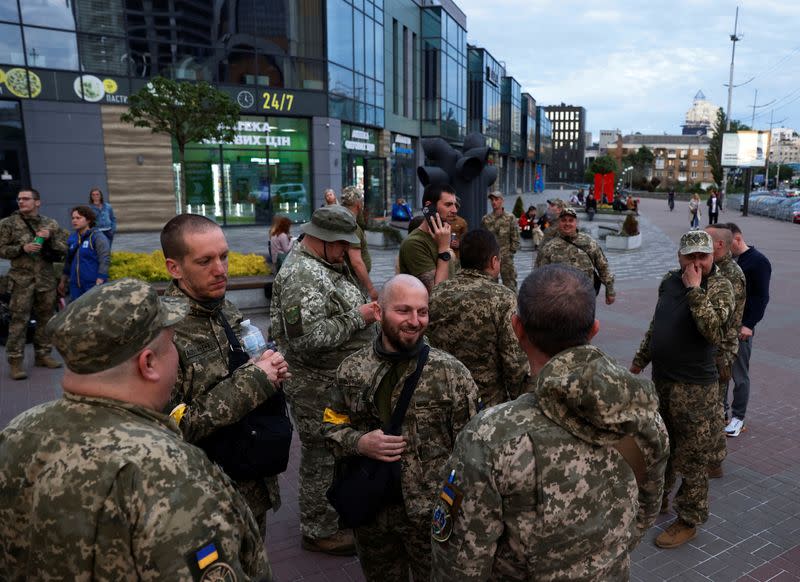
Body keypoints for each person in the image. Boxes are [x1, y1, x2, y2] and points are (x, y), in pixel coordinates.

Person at [0, 278, 271, 580]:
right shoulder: (170, 470)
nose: (177, 357)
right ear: (148, 363)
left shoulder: (16, 433)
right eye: (171, 347)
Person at [430, 265, 669, 580]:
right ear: (594, 328)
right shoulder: (642, 412)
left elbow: (461, 566)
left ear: (517, 328)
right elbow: (645, 511)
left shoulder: (489, 436)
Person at [323, 274, 479, 582]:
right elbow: (330, 424)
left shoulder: (451, 374)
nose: (415, 320)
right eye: (403, 310)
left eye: (422, 311)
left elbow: (472, 452)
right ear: (379, 313)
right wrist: (358, 442)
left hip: (430, 515)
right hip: (372, 513)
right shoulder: (351, 370)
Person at [161, 214, 289, 536]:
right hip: (205, 502)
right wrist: (256, 380)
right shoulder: (162, 333)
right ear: (174, 268)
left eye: (224, 256)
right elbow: (172, 428)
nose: (220, 270)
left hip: (250, 484)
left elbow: (239, 372)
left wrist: (268, 368)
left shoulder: (223, 308)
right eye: (205, 261)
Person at [271, 204, 378, 555]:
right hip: (314, 384)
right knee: (321, 454)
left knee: (335, 451)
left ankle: (333, 515)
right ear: (326, 239)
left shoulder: (324, 264)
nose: (347, 251)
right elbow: (306, 338)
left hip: (332, 380)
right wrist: (358, 318)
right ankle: (317, 529)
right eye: (343, 244)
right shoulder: (302, 273)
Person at [631, 230, 735, 548]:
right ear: (679, 256)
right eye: (690, 257)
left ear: (711, 256)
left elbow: (711, 331)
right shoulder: (668, 281)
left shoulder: (720, 287)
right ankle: (658, 500)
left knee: (693, 458)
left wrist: (694, 290)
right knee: (661, 446)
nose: (696, 263)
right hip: (663, 380)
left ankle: (688, 519)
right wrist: (640, 359)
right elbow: (657, 324)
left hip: (696, 388)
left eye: (702, 257)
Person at [427, 229, 530, 408]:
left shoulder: (436, 293)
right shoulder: (502, 298)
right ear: (493, 261)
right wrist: (521, 403)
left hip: (440, 397)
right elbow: (514, 360)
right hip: (486, 403)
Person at [0, 187, 68, 380]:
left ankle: (43, 354)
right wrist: (23, 248)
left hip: (45, 280)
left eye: (26, 199)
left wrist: (50, 238)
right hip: (21, 281)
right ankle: (15, 361)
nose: (21, 202)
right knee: (18, 322)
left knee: (46, 319)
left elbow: (64, 248)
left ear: (37, 202)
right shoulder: (8, 224)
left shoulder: (50, 224)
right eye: (19, 199)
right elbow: (1, 249)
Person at [704, 224, 746, 478]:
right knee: (709, 405)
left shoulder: (730, 274)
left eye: (707, 239)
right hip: (709, 349)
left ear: (719, 244)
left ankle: (715, 460)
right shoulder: (716, 268)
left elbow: (723, 320)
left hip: (720, 351)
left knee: (715, 408)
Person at [725, 222, 772, 437]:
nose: (725, 249)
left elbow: (761, 297)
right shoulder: (729, 261)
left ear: (737, 239)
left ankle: (738, 418)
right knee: (720, 372)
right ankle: (721, 413)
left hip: (742, 328)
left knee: (739, 374)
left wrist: (749, 325)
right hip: (724, 326)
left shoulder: (758, 261)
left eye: (728, 244)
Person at [535, 208, 616, 305]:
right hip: (559, 300)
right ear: (559, 223)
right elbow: (539, 275)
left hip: (585, 298)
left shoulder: (589, 243)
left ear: (576, 222)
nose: (567, 224)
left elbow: (603, 267)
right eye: (564, 220)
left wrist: (610, 291)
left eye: (571, 220)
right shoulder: (549, 247)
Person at [397, 184, 456, 293]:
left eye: (455, 205)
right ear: (429, 206)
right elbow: (436, 293)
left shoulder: (442, 237)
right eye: (448, 205)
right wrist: (444, 249)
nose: (455, 210)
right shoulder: (414, 243)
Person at [58, 205, 110, 302]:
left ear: (88, 220)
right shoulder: (72, 238)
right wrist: (63, 280)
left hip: (92, 284)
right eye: (73, 218)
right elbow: (68, 261)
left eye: (78, 218)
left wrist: (101, 279)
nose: (74, 221)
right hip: (75, 286)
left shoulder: (97, 237)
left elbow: (104, 259)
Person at [341, 185, 378, 301]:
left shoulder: (342, 221)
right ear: (358, 204)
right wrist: (371, 289)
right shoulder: (351, 226)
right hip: (354, 282)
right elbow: (356, 262)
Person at [481, 191, 520, 290]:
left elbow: (515, 236)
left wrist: (511, 252)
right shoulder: (486, 219)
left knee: (510, 283)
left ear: (502, 200)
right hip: (491, 258)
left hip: (506, 257)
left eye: (496, 199)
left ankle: (512, 304)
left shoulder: (510, 218)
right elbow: (483, 238)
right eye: (492, 200)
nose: (494, 202)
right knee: (491, 285)